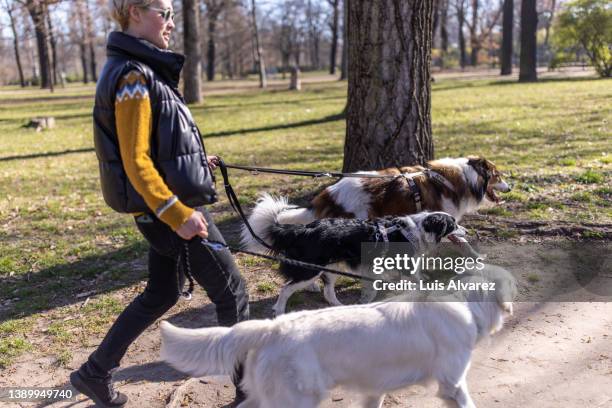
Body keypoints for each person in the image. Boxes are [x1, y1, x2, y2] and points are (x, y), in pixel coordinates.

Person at [69, 1, 250, 406]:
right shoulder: (134, 75)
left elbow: (153, 143)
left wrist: (194, 162)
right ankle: (249, 394)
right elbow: (135, 160)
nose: (171, 22)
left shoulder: (139, 69)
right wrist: (178, 214)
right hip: (168, 211)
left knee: (161, 292)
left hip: (161, 208)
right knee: (232, 292)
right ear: (135, 11)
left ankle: (94, 373)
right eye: (163, 12)